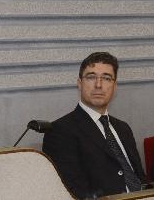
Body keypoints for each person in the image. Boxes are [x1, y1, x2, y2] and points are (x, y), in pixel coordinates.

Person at [42, 52, 146, 199]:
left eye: (106, 78)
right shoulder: (60, 131)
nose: (98, 85)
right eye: (91, 77)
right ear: (79, 83)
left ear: (115, 86)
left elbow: (140, 178)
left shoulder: (123, 128)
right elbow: (73, 191)